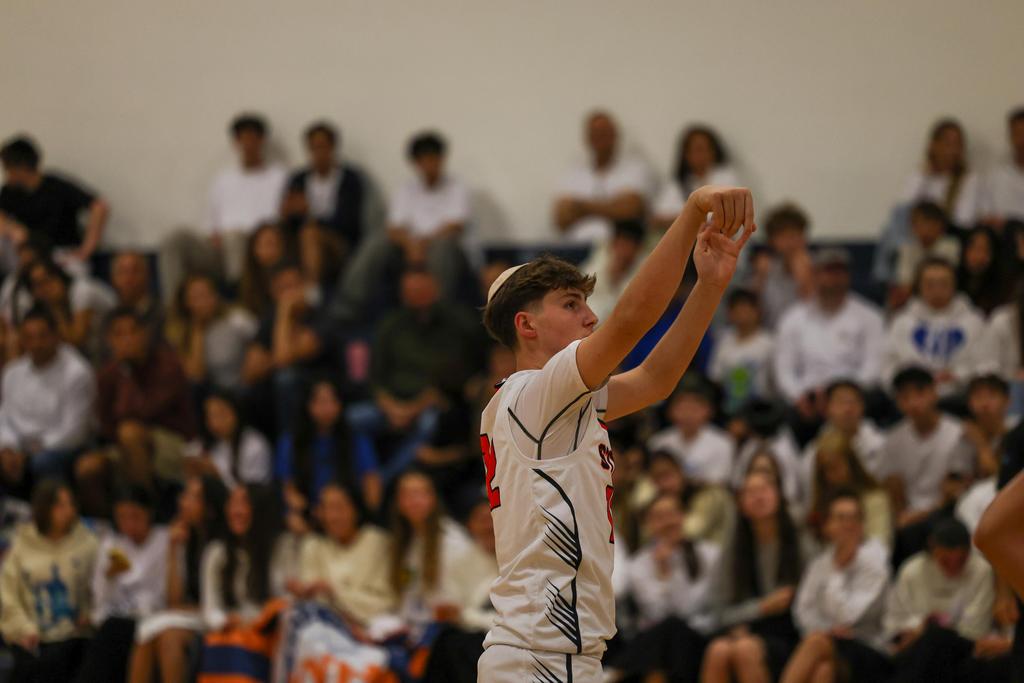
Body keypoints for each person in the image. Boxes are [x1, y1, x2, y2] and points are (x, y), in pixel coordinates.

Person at [478, 185, 755, 679]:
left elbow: (655, 380)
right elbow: (630, 321)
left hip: (552, 655)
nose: (591, 316)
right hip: (541, 656)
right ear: (527, 325)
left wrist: (710, 286)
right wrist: (692, 212)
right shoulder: (535, 394)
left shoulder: (553, 402)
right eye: (571, 304)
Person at [355, 267, 484, 481]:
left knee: (428, 423)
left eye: (421, 290)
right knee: (351, 420)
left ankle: (384, 481)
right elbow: (375, 377)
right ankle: (367, 475)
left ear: (435, 289)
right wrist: (391, 407)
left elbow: (460, 373)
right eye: (411, 292)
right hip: (391, 405)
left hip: (433, 404)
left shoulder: (458, 324)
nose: (417, 297)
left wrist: (414, 408)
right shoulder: (390, 325)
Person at [76, 307, 196, 515]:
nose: (127, 340)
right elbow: (105, 423)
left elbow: (143, 411)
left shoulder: (167, 364)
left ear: (145, 334)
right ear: (109, 340)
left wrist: (127, 374)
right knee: (88, 467)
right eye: (119, 334)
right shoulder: (108, 373)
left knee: (129, 432)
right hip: (127, 445)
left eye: (132, 332)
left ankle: (146, 513)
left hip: (174, 444)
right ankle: (109, 525)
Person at [159, 114, 288, 295]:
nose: (248, 144)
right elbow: (210, 225)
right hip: (221, 250)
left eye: (252, 138)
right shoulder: (223, 180)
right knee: (176, 239)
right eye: (243, 139)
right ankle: (172, 304)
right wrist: (214, 236)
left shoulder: (279, 177)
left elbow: (279, 220)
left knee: (236, 237)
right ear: (236, 143)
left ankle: (241, 295)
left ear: (261, 141)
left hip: (257, 246)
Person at [702, 471, 806, 683]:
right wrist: (761, 608)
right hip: (748, 628)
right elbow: (718, 611)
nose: (759, 496)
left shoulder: (800, 540)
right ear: (740, 504)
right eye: (750, 492)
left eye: (764, 489)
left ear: (779, 495)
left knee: (745, 649)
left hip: (790, 632)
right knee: (718, 650)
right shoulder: (734, 549)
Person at [781, 490, 892, 683]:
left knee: (816, 643)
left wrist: (838, 570)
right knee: (823, 671)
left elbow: (848, 617)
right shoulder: (819, 564)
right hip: (830, 644)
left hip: (869, 646)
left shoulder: (875, 563)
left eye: (853, 518)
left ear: (862, 524)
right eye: (841, 518)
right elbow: (803, 610)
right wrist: (825, 629)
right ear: (827, 526)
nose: (848, 524)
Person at [607, 494, 719, 683]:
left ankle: (617, 670)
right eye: (659, 517)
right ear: (648, 524)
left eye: (672, 514)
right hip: (660, 642)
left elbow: (690, 610)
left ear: (683, 516)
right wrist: (663, 572)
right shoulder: (638, 565)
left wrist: (668, 576)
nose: (668, 522)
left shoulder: (709, 554)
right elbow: (656, 613)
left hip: (701, 636)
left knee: (673, 629)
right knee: (666, 638)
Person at [127, 475, 228, 683]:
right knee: (146, 633)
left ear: (210, 507)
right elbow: (174, 599)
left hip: (220, 617)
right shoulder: (188, 538)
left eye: (193, 497)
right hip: (194, 615)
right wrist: (173, 549)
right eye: (185, 495)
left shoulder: (222, 546)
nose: (183, 502)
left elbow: (217, 605)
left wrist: (184, 610)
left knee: (169, 637)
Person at [774, 248, 885, 433]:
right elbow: (784, 372)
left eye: (840, 272)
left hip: (853, 399)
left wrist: (844, 398)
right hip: (807, 403)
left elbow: (873, 367)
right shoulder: (792, 319)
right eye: (828, 271)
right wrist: (799, 397)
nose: (834, 278)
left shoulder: (870, 316)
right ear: (815, 275)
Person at [886, 517, 1010, 683]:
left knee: (937, 637)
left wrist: (933, 631)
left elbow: (976, 628)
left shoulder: (980, 570)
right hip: (915, 650)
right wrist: (916, 629)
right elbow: (896, 622)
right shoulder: (912, 570)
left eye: (960, 560)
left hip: (962, 653)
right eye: (946, 560)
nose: (953, 566)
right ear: (933, 551)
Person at [0, 480, 98, 683]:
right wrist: (23, 628)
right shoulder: (22, 544)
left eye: (71, 504)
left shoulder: (88, 543)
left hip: (74, 635)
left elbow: (101, 589)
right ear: (44, 509)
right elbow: (7, 595)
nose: (69, 510)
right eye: (60, 505)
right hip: (31, 636)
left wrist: (89, 614)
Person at [0, 305, 95, 500]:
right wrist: (8, 447)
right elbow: (5, 418)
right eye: (29, 337)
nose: (36, 344)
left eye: (42, 336)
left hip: (63, 448)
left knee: (43, 462)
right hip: (20, 447)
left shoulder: (77, 373)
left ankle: (55, 513)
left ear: (56, 335)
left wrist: (31, 452)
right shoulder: (12, 373)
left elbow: (75, 432)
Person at [78, 486, 169, 683]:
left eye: (135, 516)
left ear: (149, 513)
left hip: (152, 616)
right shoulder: (112, 544)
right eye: (122, 517)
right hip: (116, 618)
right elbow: (100, 600)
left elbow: (163, 594)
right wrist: (108, 577)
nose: (129, 524)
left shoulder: (165, 540)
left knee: (114, 632)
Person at [240, 261, 331, 433]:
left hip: (318, 386)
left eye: (294, 286)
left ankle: (289, 443)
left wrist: (284, 313)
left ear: (306, 286)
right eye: (283, 289)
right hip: (276, 394)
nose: (289, 294)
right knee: (246, 392)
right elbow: (249, 373)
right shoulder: (269, 320)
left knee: (285, 378)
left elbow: (283, 360)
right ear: (273, 293)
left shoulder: (320, 316)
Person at [881, 366, 973, 530]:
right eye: (905, 397)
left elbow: (955, 489)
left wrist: (921, 515)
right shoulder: (893, 439)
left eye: (920, 394)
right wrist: (902, 516)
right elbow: (894, 487)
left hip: (947, 513)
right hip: (907, 516)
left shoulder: (958, 433)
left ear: (934, 393)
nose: (913, 403)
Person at [289, 482, 394, 626]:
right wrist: (302, 592)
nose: (333, 517)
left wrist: (334, 592)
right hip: (325, 625)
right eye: (326, 509)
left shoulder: (378, 542)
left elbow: (385, 602)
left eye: (339, 508)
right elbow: (313, 600)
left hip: (372, 625)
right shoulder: (313, 544)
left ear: (356, 510)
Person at [276, 378, 382, 521]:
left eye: (332, 401)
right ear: (308, 405)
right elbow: (288, 489)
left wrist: (366, 516)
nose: (327, 408)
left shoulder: (356, 438)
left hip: (350, 516)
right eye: (320, 402)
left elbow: (371, 482)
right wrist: (306, 512)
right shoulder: (291, 441)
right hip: (310, 515)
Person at [388, 470, 479, 635]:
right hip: (414, 624)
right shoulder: (407, 541)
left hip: (449, 628)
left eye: (420, 494)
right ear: (399, 502)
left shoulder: (451, 540)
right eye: (407, 495)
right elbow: (407, 591)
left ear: (433, 499)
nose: (414, 501)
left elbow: (452, 602)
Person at [0, 135, 109, 270]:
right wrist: (12, 229)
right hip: (29, 255)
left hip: (60, 252)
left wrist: (86, 250)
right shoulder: (10, 191)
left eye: (8, 169)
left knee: (73, 272)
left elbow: (99, 207)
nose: (7, 175)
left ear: (20, 168)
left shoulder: (55, 187)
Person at [883, 257, 987, 396]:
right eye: (930, 284)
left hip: (963, 396)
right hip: (913, 397)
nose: (937, 289)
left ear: (954, 285)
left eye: (943, 283)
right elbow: (888, 366)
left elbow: (985, 364)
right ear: (919, 286)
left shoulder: (974, 322)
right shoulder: (902, 322)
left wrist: (958, 375)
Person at [554, 110, 655, 243]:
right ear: (587, 138)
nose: (601, 138)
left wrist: (581, 207)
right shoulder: (573, 172)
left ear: (615, 135)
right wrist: (612, 206)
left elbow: (632, 209)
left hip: (618, 248)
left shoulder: (634, 169)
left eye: (605, 133)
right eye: (596, 133)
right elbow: (561, 216)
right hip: (577, 247)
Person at [200, 484, 286, 631]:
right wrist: (225, 622)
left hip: (269, 631)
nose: (236, 511)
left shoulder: (279, 548)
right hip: (231, 632)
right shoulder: (216, 552)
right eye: (232, 503)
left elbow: (283, 601)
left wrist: (255, 621)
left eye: (244, 503)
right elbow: (210, 609)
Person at [165, 272, 259, 393]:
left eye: (206, 294)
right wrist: (198, 330)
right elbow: (195, 375)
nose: (203, 301)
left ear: (215, 295)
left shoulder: (237, 320)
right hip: (209, 392)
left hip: (243, 386)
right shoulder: (179, 332)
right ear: (185, 303)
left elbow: (261, 347)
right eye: (195, 298)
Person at [282, 120, 369, 252]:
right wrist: (288, 211)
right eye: (314, 147)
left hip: (339, 238)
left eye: (322, 146)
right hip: (301, 235)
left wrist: (310, 214)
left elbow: (349, 222)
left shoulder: (349, 179)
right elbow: (290, 218)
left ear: (332, 147)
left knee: (310, 234)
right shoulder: (298, 179)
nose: (318, 153)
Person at [806, 430, 892, 547]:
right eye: (826, 469)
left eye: (837, 466)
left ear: (851, 464)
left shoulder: (875, 500)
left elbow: (881, 544)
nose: (833, 474)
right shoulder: (819, 508)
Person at [800, 380, 887, 495]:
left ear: (863, 406)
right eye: (840, 402)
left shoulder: (883, 445)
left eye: (852, 402)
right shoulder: (813, 453)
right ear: (827, 408)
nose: (848, 409)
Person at [647, 377, 735, 487]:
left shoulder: (723, 442)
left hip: (705, 493)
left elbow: (720, 481)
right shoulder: (658, 442)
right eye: (683, 407)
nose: (688, 414)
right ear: (671, 411)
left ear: (708, 410)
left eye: (694, 408)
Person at [24, 256, 116, 358]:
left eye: (47, 280)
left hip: (112, 346)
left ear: (59, 276)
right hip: (96, 349)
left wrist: (56, 307)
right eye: (37, 285)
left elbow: (76, 341)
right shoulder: (44, 304)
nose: (44, 288)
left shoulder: (82, 291)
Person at [955, 374, 1013, 532]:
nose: (984, 404)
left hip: (1008, 501)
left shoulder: (1017, 434)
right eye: (978, 397)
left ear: (1007, 400)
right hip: (968, 502)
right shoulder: (964, 436)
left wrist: (981, 444)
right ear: (969, 403)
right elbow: (950, 484)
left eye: (991, 396)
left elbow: (1001, 479)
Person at [652, 124, 739, 230]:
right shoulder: (678, 182)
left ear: (713, 152)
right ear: (686, 155)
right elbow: (659, 218)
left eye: (703, 149)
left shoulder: (726, 177)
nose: (699, 155)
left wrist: (687, 219)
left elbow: (726, 216)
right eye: (695, 150)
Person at [902, 118, 983, 230]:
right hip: (916, 234)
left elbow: (965, 221)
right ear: (934, 145)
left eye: (958, 145)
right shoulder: (920, 175)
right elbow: (903, 210)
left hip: (951, 234)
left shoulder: (969, 178)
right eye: (948, 144)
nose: (954, 150)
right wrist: (924, 174)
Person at [708, 287, 775, 416]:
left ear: (757, 311)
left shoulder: (769, 343)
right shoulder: (723, 341)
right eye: (737, 310)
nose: (742, 314)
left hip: (761, 409)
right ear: (730, 313)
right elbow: (715, 376)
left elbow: (775, 382)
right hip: (729, 408)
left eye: (746, 309)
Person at [747, 202, 814, 328]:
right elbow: (749, 312)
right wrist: (759, 278)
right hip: (769, 333)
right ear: (771, 240)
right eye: (784, 236)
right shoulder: (765, 267)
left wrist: (805, 279)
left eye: (795, 234)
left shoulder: (817, 267)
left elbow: (819, 312)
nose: (790, 241)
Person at [186, 391, 271, 488]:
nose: (215, 422)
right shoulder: (205, 442)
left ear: (237, 412)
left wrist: (217, 475)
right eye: (210, 415)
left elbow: (252, 491)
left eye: (221, 414)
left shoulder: (254, 445)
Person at [891, 200, 960, 309]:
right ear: (912, 226)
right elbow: (904, 282)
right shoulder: (907, 248)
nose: (925, 231)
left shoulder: (951, 247)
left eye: (930, 225)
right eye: (921, 225)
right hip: (916, 298)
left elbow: (949, 281)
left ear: (941, 227)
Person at [579, 219, 646, 323]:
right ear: (613, 242)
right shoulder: (598, 261)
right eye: (621, 243)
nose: (623, 250)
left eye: (628, 245)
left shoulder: (645, 270)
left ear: (638, 248)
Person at [980, 106, 1024, 229]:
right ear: (1010, 136)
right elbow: (985, 214)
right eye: (1017, 134)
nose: (1022, 140)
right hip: (1002, 236)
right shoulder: (996, 174)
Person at [238, 222, 289, 318]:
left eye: (276, 244)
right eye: (267, 244)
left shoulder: (290, 276)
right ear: (254, 249)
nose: (272, 250)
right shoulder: (248, 283)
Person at [957, 226, 1008, 316]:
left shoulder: (1004, 285)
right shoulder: (953, 278)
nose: (978, 256)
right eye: (973, 248)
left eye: (985, 250)